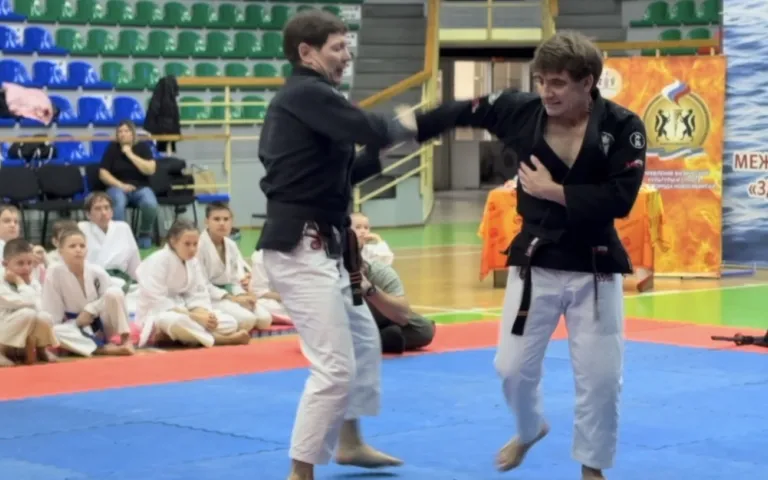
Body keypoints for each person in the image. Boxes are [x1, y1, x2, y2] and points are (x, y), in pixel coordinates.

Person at [409, 31, 647, 480]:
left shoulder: (623, 126)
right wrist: (407, 129)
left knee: (600, 380)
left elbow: (620, 199)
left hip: (595, 267)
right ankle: (529, 426)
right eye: (540, 80)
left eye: (558, 83)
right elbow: (462, 110)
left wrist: (553, 191)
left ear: (587, 82)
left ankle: (592, 469)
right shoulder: (521, 111)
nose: (547, 91)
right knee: (511, 369)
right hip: (537, 263)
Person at [255, 10, 416, 480]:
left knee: (364, 340)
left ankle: (349, 442)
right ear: (306, 52)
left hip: (325, 246)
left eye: (348, 46)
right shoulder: (305, 93)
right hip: (299, 248)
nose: (347, 55)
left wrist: (383, 147)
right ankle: (300, 471)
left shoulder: (314, 101)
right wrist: (410, 125)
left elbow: (343, 175)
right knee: (334, 368)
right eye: (337, 47)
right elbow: (373, 129)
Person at [134, 220, 251, 349]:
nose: (192, 249)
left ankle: (178, 337)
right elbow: (157, 303)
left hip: (188, 312)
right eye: (187, 244)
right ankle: (221, 339)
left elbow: (198, 293)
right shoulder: (157, 261)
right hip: (157, 315)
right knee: (176, 321)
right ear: (173, 241)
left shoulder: (193, 262)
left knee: (229, 322)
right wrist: (194, 317)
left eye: (195, 244)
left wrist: (202, 313)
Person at [42, 228, 135, 357]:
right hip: (75, 325)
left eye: (82, 246)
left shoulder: (96, 271)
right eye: (72, 246)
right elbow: (53, 314)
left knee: (115, 292)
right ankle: (101, 349)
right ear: (60, 251)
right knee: (54, 331)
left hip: (101, 323)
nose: (78, 249)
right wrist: (76, 323)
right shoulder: (54, 272)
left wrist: (91, 309)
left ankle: (126, 340)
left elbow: (111, 297)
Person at [197, 203, 270, 332]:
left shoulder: (231, 245)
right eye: (216, 219)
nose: (222, 223)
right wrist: (233, 299)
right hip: (211, 297)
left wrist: (244, 295)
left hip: (231, 293)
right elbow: (202, 284)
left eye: (226, 219)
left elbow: (235, 279)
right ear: (206, 221)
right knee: (247, 320)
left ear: (231, 222)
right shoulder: (198, 246)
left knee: (265, 320)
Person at [98, 120, 158, 249]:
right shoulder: (112, 148)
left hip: (140, 187)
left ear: (133, 133)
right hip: (117, 187)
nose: (122, 134)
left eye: (126, 131)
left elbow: (150, 169)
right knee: (118, 201)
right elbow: (103, 173)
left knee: (150, 203)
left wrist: (130, 154)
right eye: (120, 132)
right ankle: (122, 237)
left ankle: (145, 233)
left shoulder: (143, 147)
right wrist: (120, 185)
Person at [0, 238, 59, 366]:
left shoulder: (32, 280)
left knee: (44, 316)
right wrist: (20, 282)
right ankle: (1, 353)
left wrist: (21, 283)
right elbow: (27, 301)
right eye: (20, 263)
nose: (26, 268)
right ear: (5, 264)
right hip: (2, 330)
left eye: (29, 263)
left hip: (20, 334)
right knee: (27, 313)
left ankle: (41, 350)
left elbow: (38, 305)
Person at [361, 259, 435, 354]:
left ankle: (370, 341)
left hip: (381, 319)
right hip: (349, 326)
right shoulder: (341, 278)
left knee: (424, 330)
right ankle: (374, 340)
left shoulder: (379, 272)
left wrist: (369, 290)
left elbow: (404, 316)